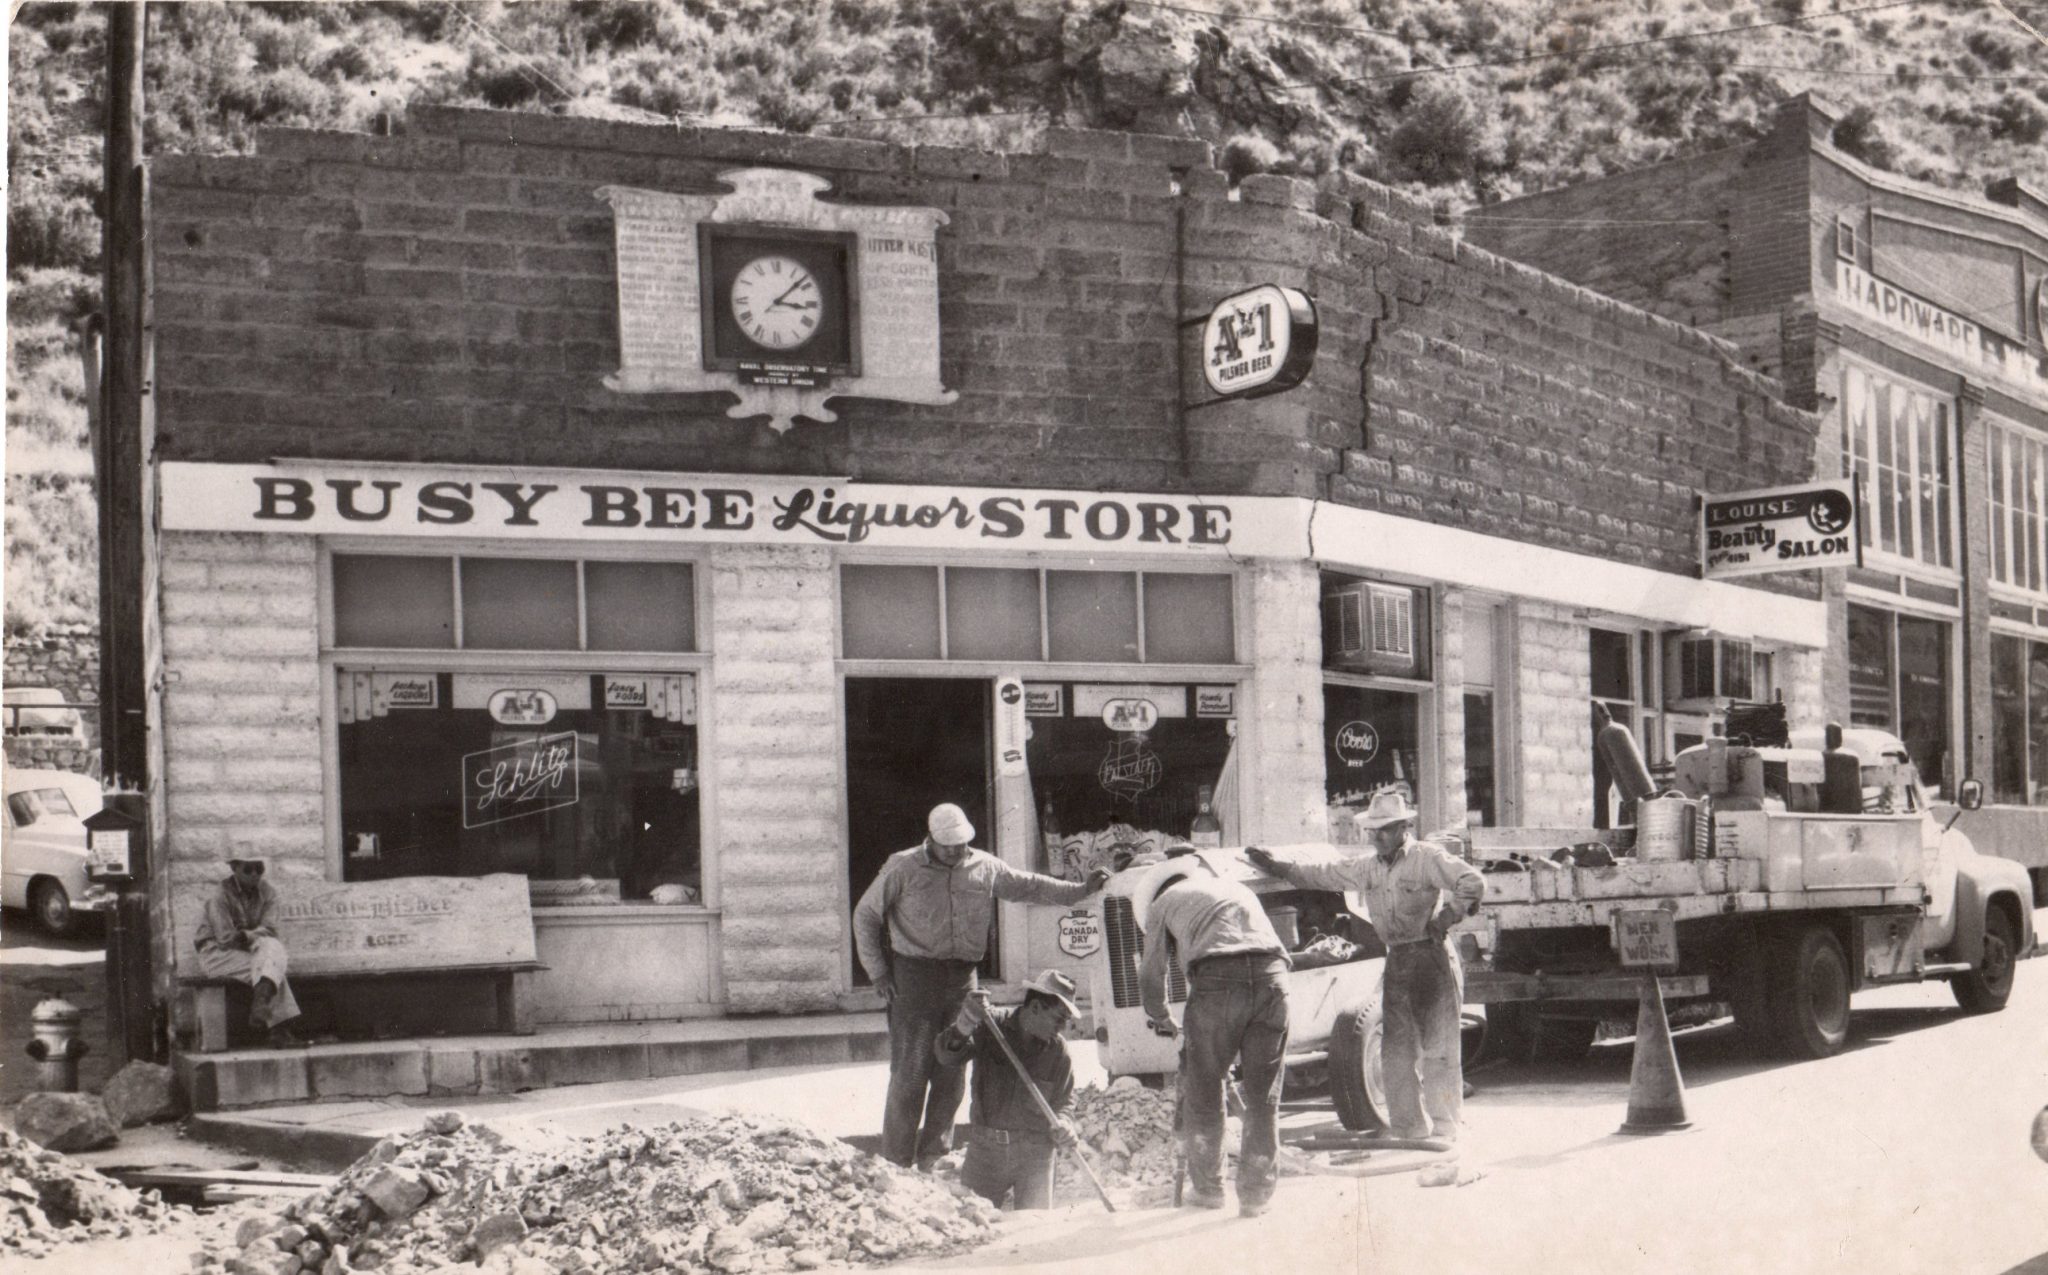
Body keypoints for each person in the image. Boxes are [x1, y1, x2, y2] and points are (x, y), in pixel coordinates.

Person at [854, 802, 1108, 1170]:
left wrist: (1079, 890)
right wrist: (878, 972)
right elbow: (866, 915)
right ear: (931, 840)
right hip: (914, 979)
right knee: (910, 1071)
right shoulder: (903, 867)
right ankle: (896, 1162)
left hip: (962, 981)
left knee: (953, 1071)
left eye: (960, 845)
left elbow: (1029, 886)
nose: (955, 852)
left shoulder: (984, 866)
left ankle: (934, 1158)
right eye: (947, 846)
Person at [1246, 790, 1484, 1146]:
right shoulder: (1367, 866)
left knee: (1440, 1048)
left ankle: (1446, 1128)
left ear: (1404, 827)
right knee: (1395, 1050)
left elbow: (1471, 882)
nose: (1376, 837)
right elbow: (1326, 874)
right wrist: (1280, 867)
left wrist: (1447, 917)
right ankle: (1408, 1128)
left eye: (1384, 830)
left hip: (1432, 956)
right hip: (1399, 958)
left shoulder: (1426, 858)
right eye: (1372, 831)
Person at [1133, 845, 1291, 1217]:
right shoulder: (1237, 888)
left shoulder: (1164, 903)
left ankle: (1207, 1190)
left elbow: (1150, 974)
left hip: (1218, 981)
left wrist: (1159, 1016)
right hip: (1274, 979)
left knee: (1204, 1090)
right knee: (1263, 1096)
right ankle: (1255, 1197)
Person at [934, 970, 1082, 1210]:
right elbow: (945, 1056)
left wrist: (1065, 1122)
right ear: (1035, 1007)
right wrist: (965, 1022)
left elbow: (1065, 1100)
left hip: (1035, 1154)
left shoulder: (1058, 1050)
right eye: (1059, 1018)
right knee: (974, 1224)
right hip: (986, 1152)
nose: (1063, 1027)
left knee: (1035, 1230)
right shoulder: (991, 1026)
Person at [193, 856, 303, 1047]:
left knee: (273, 949)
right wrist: (252, 937)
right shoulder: (219, 896)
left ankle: (261, 1002)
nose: (254, 874)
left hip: (251, 950)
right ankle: (278, 1031)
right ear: (234, 868)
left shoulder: (268, 892)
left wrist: (247, 937)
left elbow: (271, 929)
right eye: (248, 869)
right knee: (273, 967)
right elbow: (226, 939)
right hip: (216, 954)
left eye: (259, 869)